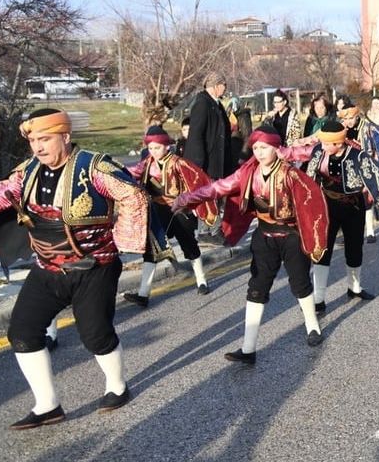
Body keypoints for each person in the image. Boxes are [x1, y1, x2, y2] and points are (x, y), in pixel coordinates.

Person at [0, 109, 146, 427]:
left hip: (93, 267)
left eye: (45, 139)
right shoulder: (28, 172)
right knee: (22, 333)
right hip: (47, 267)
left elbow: (132, 194)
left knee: (95, 335)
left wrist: (126, 241)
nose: (37, 147)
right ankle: (47, 405)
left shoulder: (95, 166)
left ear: (65, 137)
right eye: (33, 141)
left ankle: (117, 387)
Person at [173, 124, 331, 365]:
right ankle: (248, 348)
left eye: (264, 147)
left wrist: (315, 238)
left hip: (291, 236)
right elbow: (218, 187)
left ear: (276, 148)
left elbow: (312, 203)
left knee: (300, 283)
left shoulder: (291, 175)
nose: (258, 152)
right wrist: (188, 198)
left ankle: (312, 326)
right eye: (255, 147)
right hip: (264, 236)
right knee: (256, 288)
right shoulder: (247, 173)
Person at [275, 120, 379, 312]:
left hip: (353, 207)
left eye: (326, 143)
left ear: (338, 143)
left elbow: (374, 176)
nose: (321, 146)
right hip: (326, 206)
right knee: (322, 250)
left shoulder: (357, 155)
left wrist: (376, 197)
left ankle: (354, 288)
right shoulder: (318, 151)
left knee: (354, 248)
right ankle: (319, 298)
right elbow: (299, 154)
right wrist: (278, 152)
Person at [123, 126, 217, 306]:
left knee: (189, 244)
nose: (153, 151)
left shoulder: (179, 163)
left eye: (157, 147)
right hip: (158, 210)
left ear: (167, 146)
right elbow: (130, 174)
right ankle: (143, 294)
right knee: (152, 249)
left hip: (179, 210)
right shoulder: (146, 164)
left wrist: (192, 204)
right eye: (150, 148)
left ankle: (201, 280)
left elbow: (200, 180)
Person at [184, 71, 235, 180]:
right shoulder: (202, 104)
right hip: (208, 166)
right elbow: (196, 135)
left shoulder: (216, 103)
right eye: (224, 85)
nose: (225, 88)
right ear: (216, 86)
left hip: (219, 164)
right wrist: (198, 164)